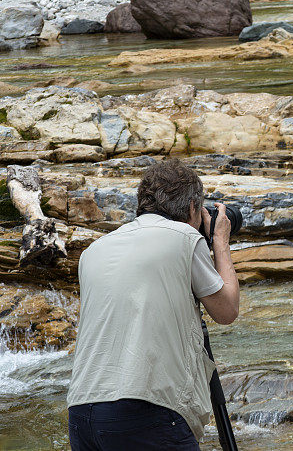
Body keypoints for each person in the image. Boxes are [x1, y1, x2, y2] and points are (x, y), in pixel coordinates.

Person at [66, 159, 239, 450]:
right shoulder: (183, 237)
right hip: (146, 409)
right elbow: (227, 310)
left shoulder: (95, 249)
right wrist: (220, 240)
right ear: (192, 208)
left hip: (83, 412)